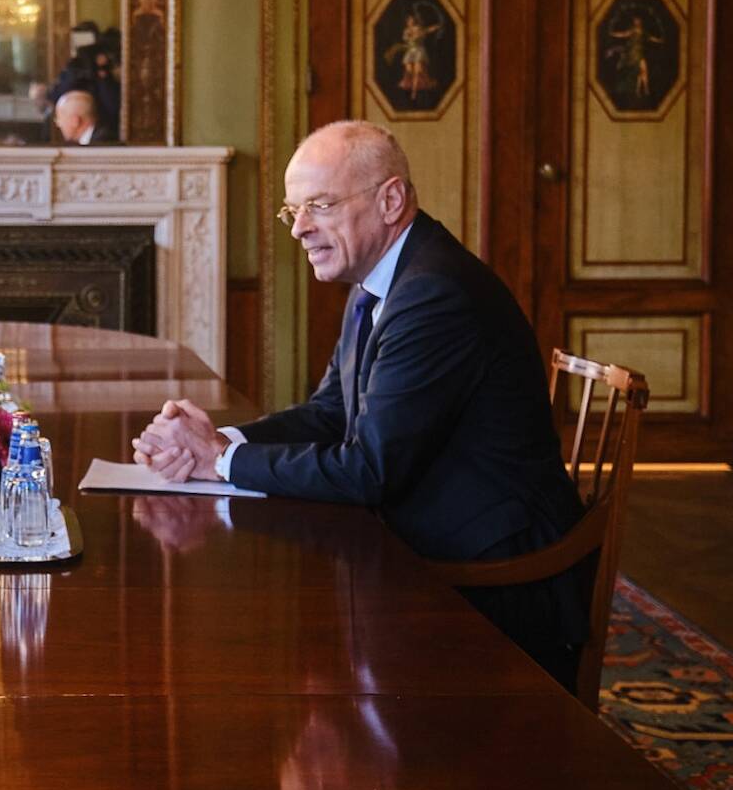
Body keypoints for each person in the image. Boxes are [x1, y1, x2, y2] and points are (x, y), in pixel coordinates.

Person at [131, 119, 589, 689]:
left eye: (318, 206)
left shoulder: (433, 293)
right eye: (292, 211)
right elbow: (329, 414)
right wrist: (225, 442)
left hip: (497, 575)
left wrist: (214, 461)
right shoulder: (379, 280)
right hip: (434, 536)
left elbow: (370, 471)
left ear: (390, 199)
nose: (298, 229)